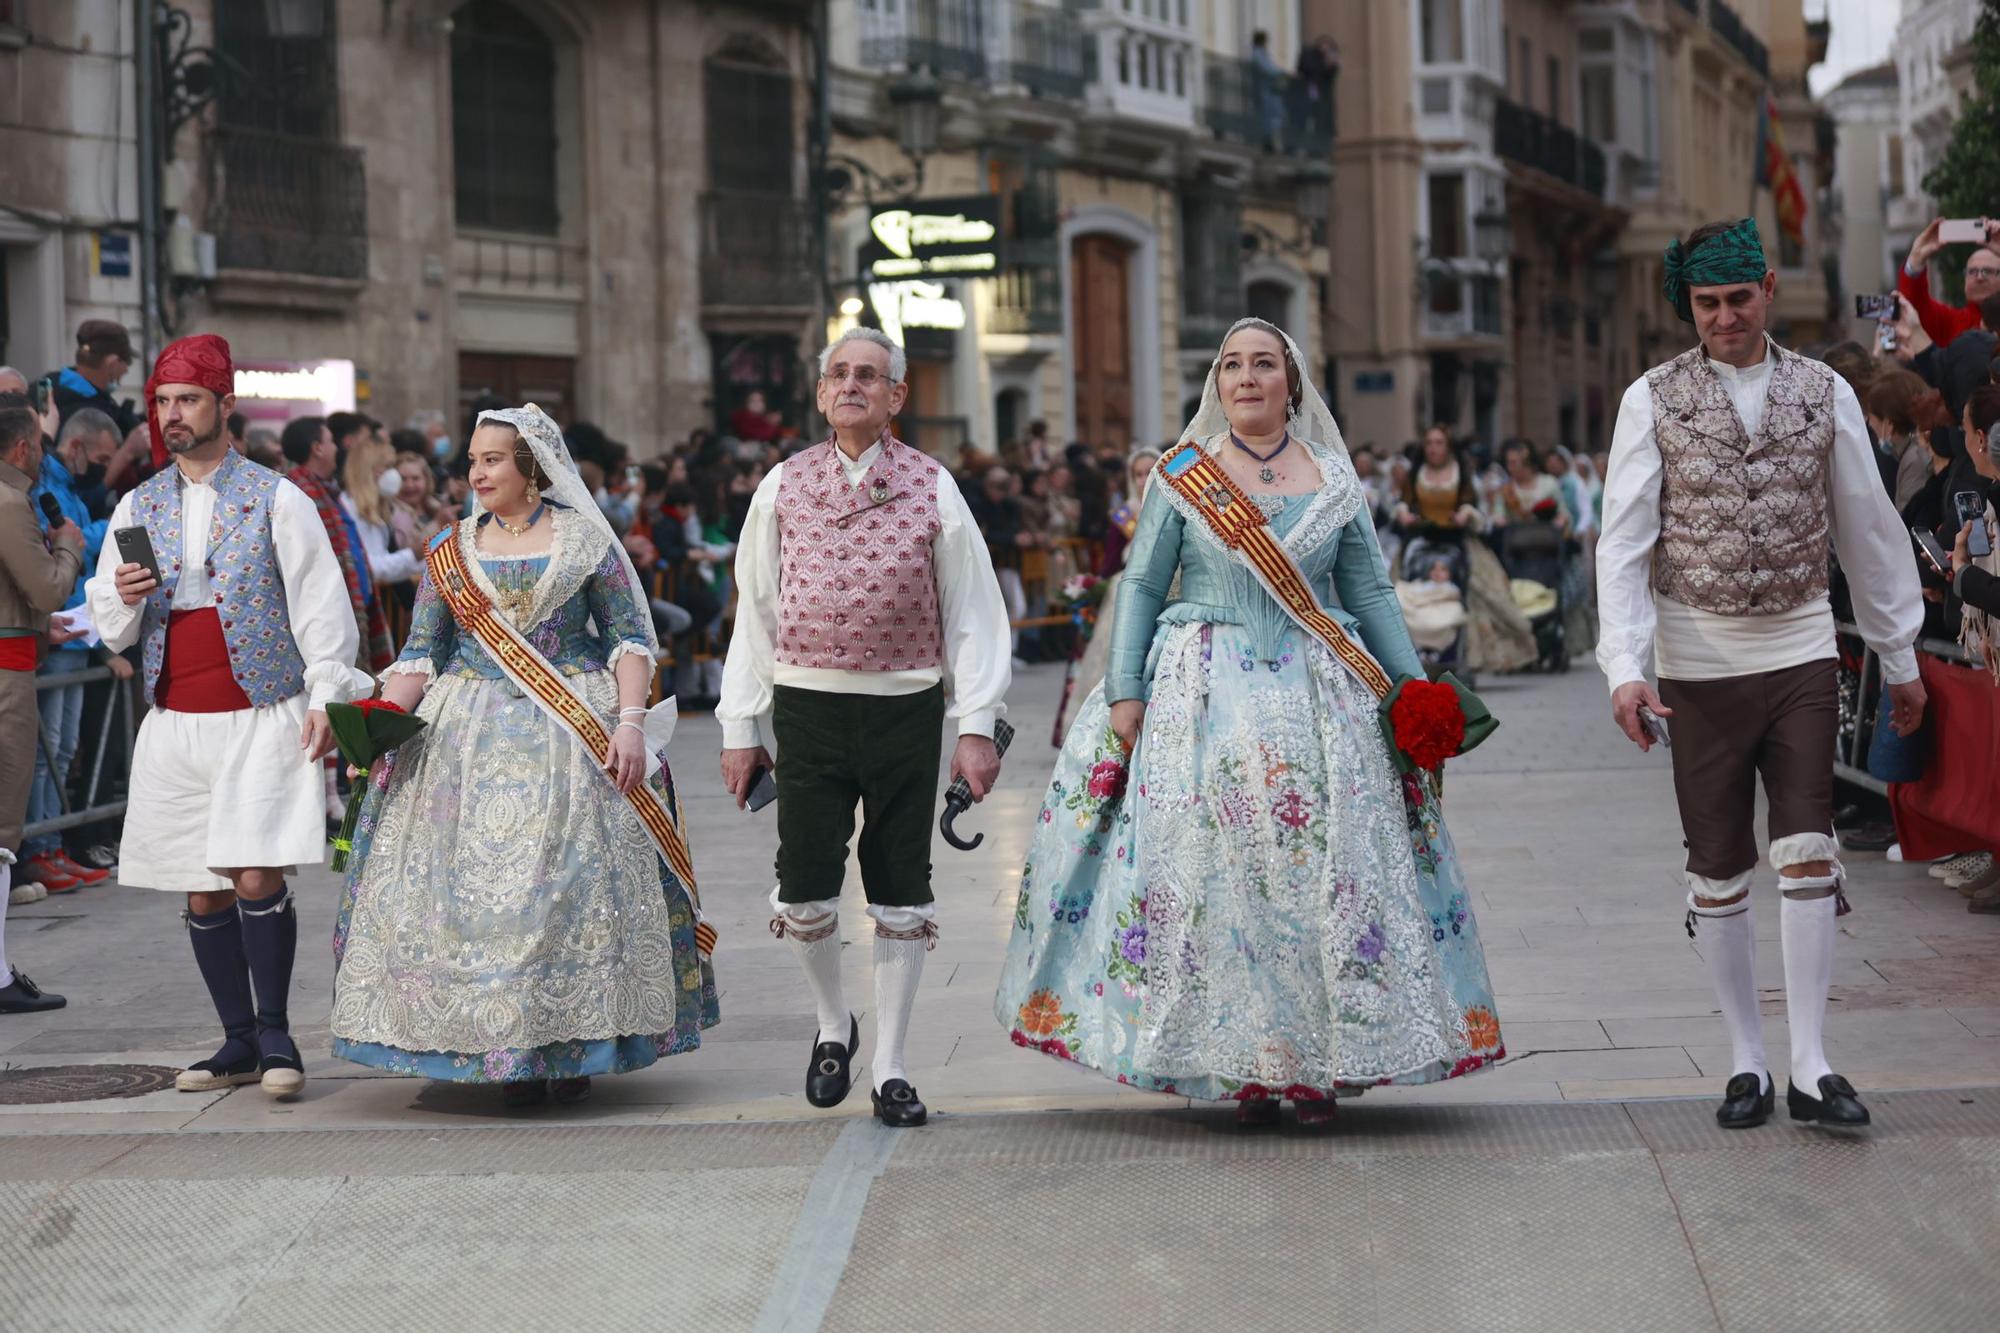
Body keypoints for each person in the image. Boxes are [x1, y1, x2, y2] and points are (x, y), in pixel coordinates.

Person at [996, 318, 1505, 1125]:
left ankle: (1313, 1068)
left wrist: (1413, 691)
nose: (1246, 377)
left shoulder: (1336, 480)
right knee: (1219, 881)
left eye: (1263, 363)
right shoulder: (1180, 475)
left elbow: (1368, 592)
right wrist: (1125, 686)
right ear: (1217, 384)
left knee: (1321, 876)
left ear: (1291, 383)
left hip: (1320, 699)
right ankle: (1239, 1064)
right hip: (1202, 693)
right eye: (1231, 365)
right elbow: (1139, 585)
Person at [1597, 218, 1927, 1131]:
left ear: (1768, 290)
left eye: (1739, 299)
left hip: (1799, 647)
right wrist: (1625, 667)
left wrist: (1899, 654)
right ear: (1689, 306)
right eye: (1707, 303)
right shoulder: (1649, 399)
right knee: (1717, 864)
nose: (1725, 317)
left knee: (1808, 843)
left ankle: (1812, 1061)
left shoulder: (1824, 390)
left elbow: (1867, 525)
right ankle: (1746, 1056)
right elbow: (1623, 543)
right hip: (1696, 659)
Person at [330, 405, 717, 1104]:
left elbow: (631, 639)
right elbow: (422, 653)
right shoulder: (451, 551)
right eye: (473, 461)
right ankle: (489, 1040)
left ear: (532, 467)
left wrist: (630, 723)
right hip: (463, 742)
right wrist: (379, 720)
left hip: (570, 733)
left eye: (492, 460)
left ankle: (566, 1043)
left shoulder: (585, 543)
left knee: (564, 890)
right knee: (468, 900)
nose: (476, 472)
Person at [718, 327, 1011, 1129]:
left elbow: (972, 612)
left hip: (905, 708)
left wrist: (976, 723)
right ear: (819, 394)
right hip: (807, 706)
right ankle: (831, 1024)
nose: (852, 385)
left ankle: (890, 1065)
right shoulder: (781, 484)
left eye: (869, 376)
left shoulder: (933, 485)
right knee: (804, 887)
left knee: (901, 886)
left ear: (896, 397)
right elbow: (756, 611)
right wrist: (742, 723)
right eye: (839, 374)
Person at [84, 334, 372, 1096]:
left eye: (187, 401)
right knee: (200, 885)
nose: (172, 416)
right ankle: (236, 1040)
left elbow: (322, 609)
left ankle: (278, 1038)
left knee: (254, 871)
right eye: (163, 404)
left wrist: (327, 699)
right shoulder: (135, 505)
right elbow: (108, 620)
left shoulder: (280, 497)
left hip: (261, 709)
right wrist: (126, 593)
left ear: (223, 406)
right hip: (176, 717)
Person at [19, 409, 122, 893]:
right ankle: (39, 850)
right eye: (101, 456)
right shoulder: (46, 486)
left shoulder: (71, 488)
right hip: (55, 629)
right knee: (46, 752)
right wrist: (108, 530)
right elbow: (58, 553)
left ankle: (52, 845)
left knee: (61, 750)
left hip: (76, 630)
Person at [0, 398, 81, 1009]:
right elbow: (48, 587)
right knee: (3, 829)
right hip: (6, 680)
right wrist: (70, 548)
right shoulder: (9, 503)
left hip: (14, 652)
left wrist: (32, 623)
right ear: (24, 448)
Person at [1393, 426, 1536, 672]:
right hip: (1423, 541)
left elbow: (1472, 505)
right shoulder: (1417, 473)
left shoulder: (1460, 473)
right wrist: (1404, 514)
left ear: (1447, 446)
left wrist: (1464, 514)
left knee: (1479, 595)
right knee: (1403, 593)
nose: (1433, 448)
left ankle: (1462, 656)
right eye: (1429, 443)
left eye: (1439, 443)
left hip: (1456, 540)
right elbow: (1405, 503)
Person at [1056, 447, 1161, 742]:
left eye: (1150, 471)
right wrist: (1094, 590)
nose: (1144, 480)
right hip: (1124, 592)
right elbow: (1110, 562)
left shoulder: (1177, 505)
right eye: (1138, 474)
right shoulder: (1124, 515)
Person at [282, 415, 390, 675]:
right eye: (331, 442)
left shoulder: (327, 493)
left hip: (355, 611)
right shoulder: (298, 492)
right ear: (317, 448)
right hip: (332, 618)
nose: (336, 448)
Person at [1899, 218, 2000, 349]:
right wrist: (1916, 260)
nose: (1979, 277)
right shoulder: (1951, 322)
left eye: (1987, 271)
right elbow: (1915, 308)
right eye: (1972, 271)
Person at [47, 319, 141, 437]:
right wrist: (129, 451)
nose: (126, 369)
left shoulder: (47, 387)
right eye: (127, 361)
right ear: (112, 363)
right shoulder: (90, 410)